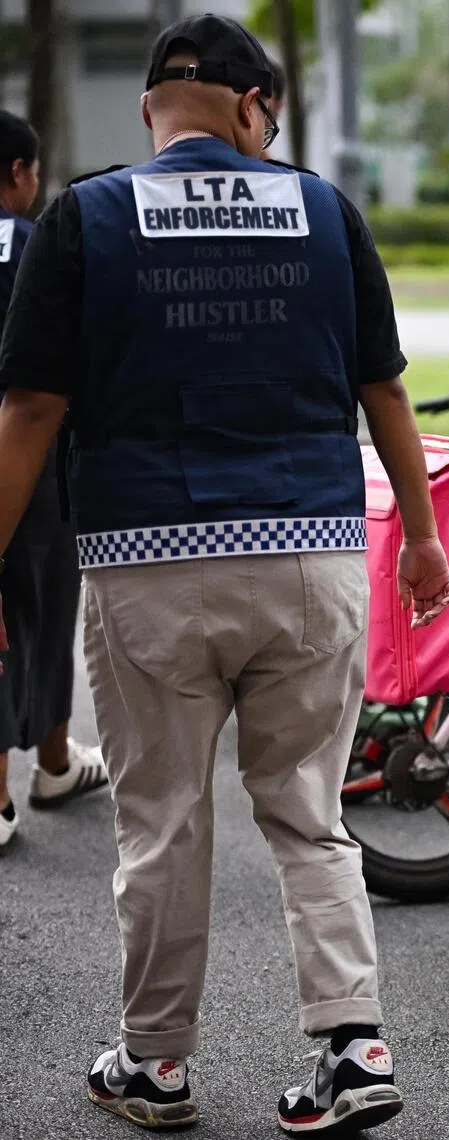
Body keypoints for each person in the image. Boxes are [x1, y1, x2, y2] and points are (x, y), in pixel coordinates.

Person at [0, 14, 449, 1135]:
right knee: (310, 817)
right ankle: (353, 1050)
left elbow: (30, 408)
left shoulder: (84, 218)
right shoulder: (323, 209)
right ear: (254, 108)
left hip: (148, 566)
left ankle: (154, 1066)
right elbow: (384, 389)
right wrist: (430, 538)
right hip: (312, 560)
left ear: (155, 105)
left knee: (163, 822)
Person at [0, 110, 106, 852]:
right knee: (42, 605)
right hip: (29, 456)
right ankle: (54, 762)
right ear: (17, 173)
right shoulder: (34, 247)